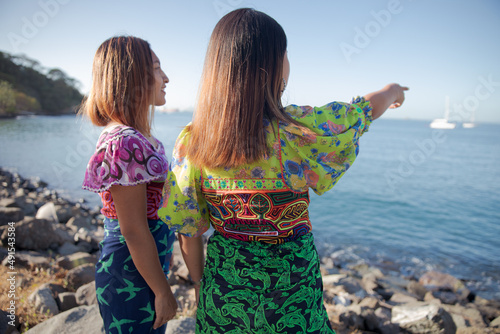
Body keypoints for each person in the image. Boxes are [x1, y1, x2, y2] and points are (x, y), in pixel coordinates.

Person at [158, 8, 408, 334]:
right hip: (292, 295)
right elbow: (358, 114)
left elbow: (189, 230)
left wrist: (200, 284)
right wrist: (392, 91)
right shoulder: (295, 129)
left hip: (225, 291)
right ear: (272, 64)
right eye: (285, 53)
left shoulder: (192, 142)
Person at [81, 36, 204, 333]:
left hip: (144, 271)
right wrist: (163, 292)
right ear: (131, 76)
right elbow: (134, 229)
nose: (166, 78)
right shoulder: (124, 141)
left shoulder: (140, 138)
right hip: (129, 275)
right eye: (157, 68)